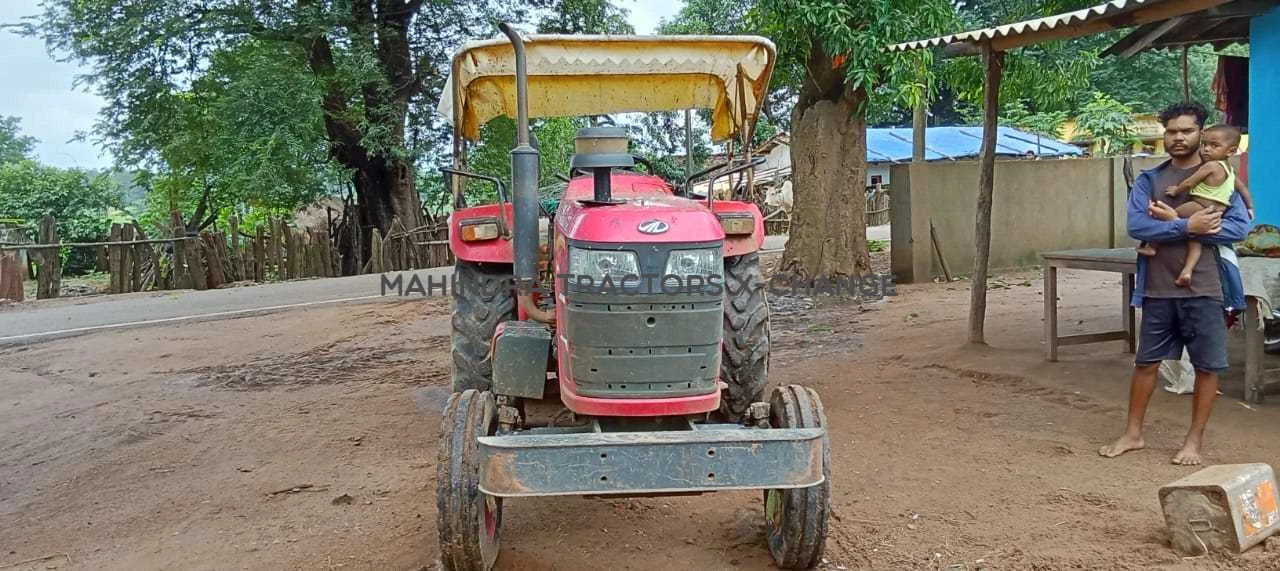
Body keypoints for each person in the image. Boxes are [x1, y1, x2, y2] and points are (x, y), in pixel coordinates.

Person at [1099, 101, 1251, 466]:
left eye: (1187, 130)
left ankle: (1193, 442)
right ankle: (1133, 434)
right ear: (1164, 135)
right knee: (1146, 362)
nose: (1178, 137)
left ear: (1202, 133)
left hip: (1206, 287)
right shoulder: (1150, 180)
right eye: (1172, 131)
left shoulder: (1220, 176)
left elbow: (1238, 228)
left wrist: (1174, 228)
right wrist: (1187, 226)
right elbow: (1138, 226)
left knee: (1207, 366)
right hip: (1157, 287)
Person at [1135, 124, 1255, 287]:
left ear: (1231, 151)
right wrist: (1250, 207)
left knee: (1167, 215)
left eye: (1214, 146)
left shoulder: (1211, 166)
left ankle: (1153, 246)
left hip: (1199, 204)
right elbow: (1243, 190)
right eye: (1205, 145)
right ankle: (1187, 270)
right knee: (1195, 240)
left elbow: (1191, 181)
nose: (1207, 150)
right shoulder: (1230, 171)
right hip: (1217, 209)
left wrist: (1177, 190)